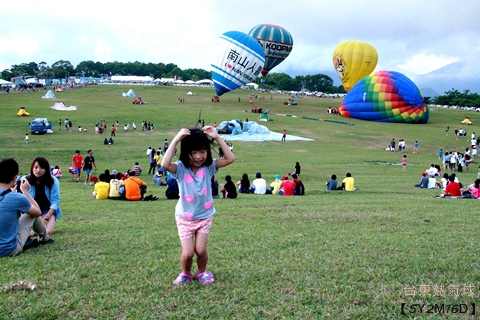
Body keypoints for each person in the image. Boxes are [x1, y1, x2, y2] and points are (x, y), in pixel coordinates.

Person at [160, 126, 235, 286]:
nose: (198, 156)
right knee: (187, 253)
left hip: (204, 216)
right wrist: (176, 139)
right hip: (184, 217)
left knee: (200, 250)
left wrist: (217, 137)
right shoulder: (180, 168)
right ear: (186, 151)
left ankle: (202, 272)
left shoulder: (209, 167)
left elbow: (230, 158)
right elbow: (165, 164)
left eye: (202, 151)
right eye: (193, 152)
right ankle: (186, 273)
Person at [0, 158, 54, 257]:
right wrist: (25, 192)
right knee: (31, 214)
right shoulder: (16, 198)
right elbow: (37, 212)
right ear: (14, 178)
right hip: (8, 249)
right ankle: (44, 238)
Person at [24, 157, 62, 235]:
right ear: (32, 168)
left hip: (47, 211)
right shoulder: (25, 180)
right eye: (36, 167)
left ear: (46, 169)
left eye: (42, 168)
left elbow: (56, 201)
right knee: (30, 233)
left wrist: (47, 216)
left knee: (48, 231)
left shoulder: (53, 181)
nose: (38, 170)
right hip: (31, 210)